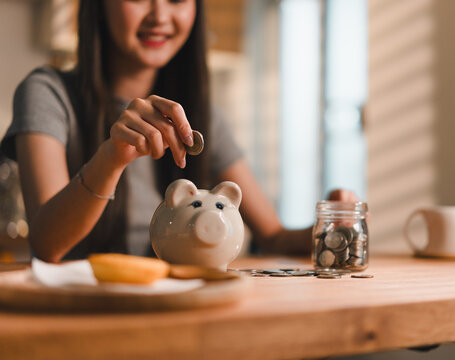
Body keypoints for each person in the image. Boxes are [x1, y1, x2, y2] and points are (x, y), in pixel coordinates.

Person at [1, 0, 357, 263]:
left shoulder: (200, 116)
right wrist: (111, 157)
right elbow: (48, 245)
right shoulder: (47, 93)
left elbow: (274, 236)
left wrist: (335, 227)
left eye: (177, 0)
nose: (160, 16)